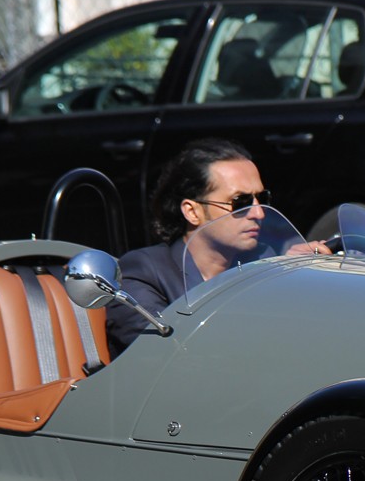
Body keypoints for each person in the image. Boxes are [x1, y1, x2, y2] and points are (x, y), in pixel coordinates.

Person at [106, 138, 325, 357]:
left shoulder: (263, 259)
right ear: (192, 212)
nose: (259, 213)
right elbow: (166, 355)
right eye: (240, 202)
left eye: (262, 198)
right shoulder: (145, 272)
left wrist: (294, 272)